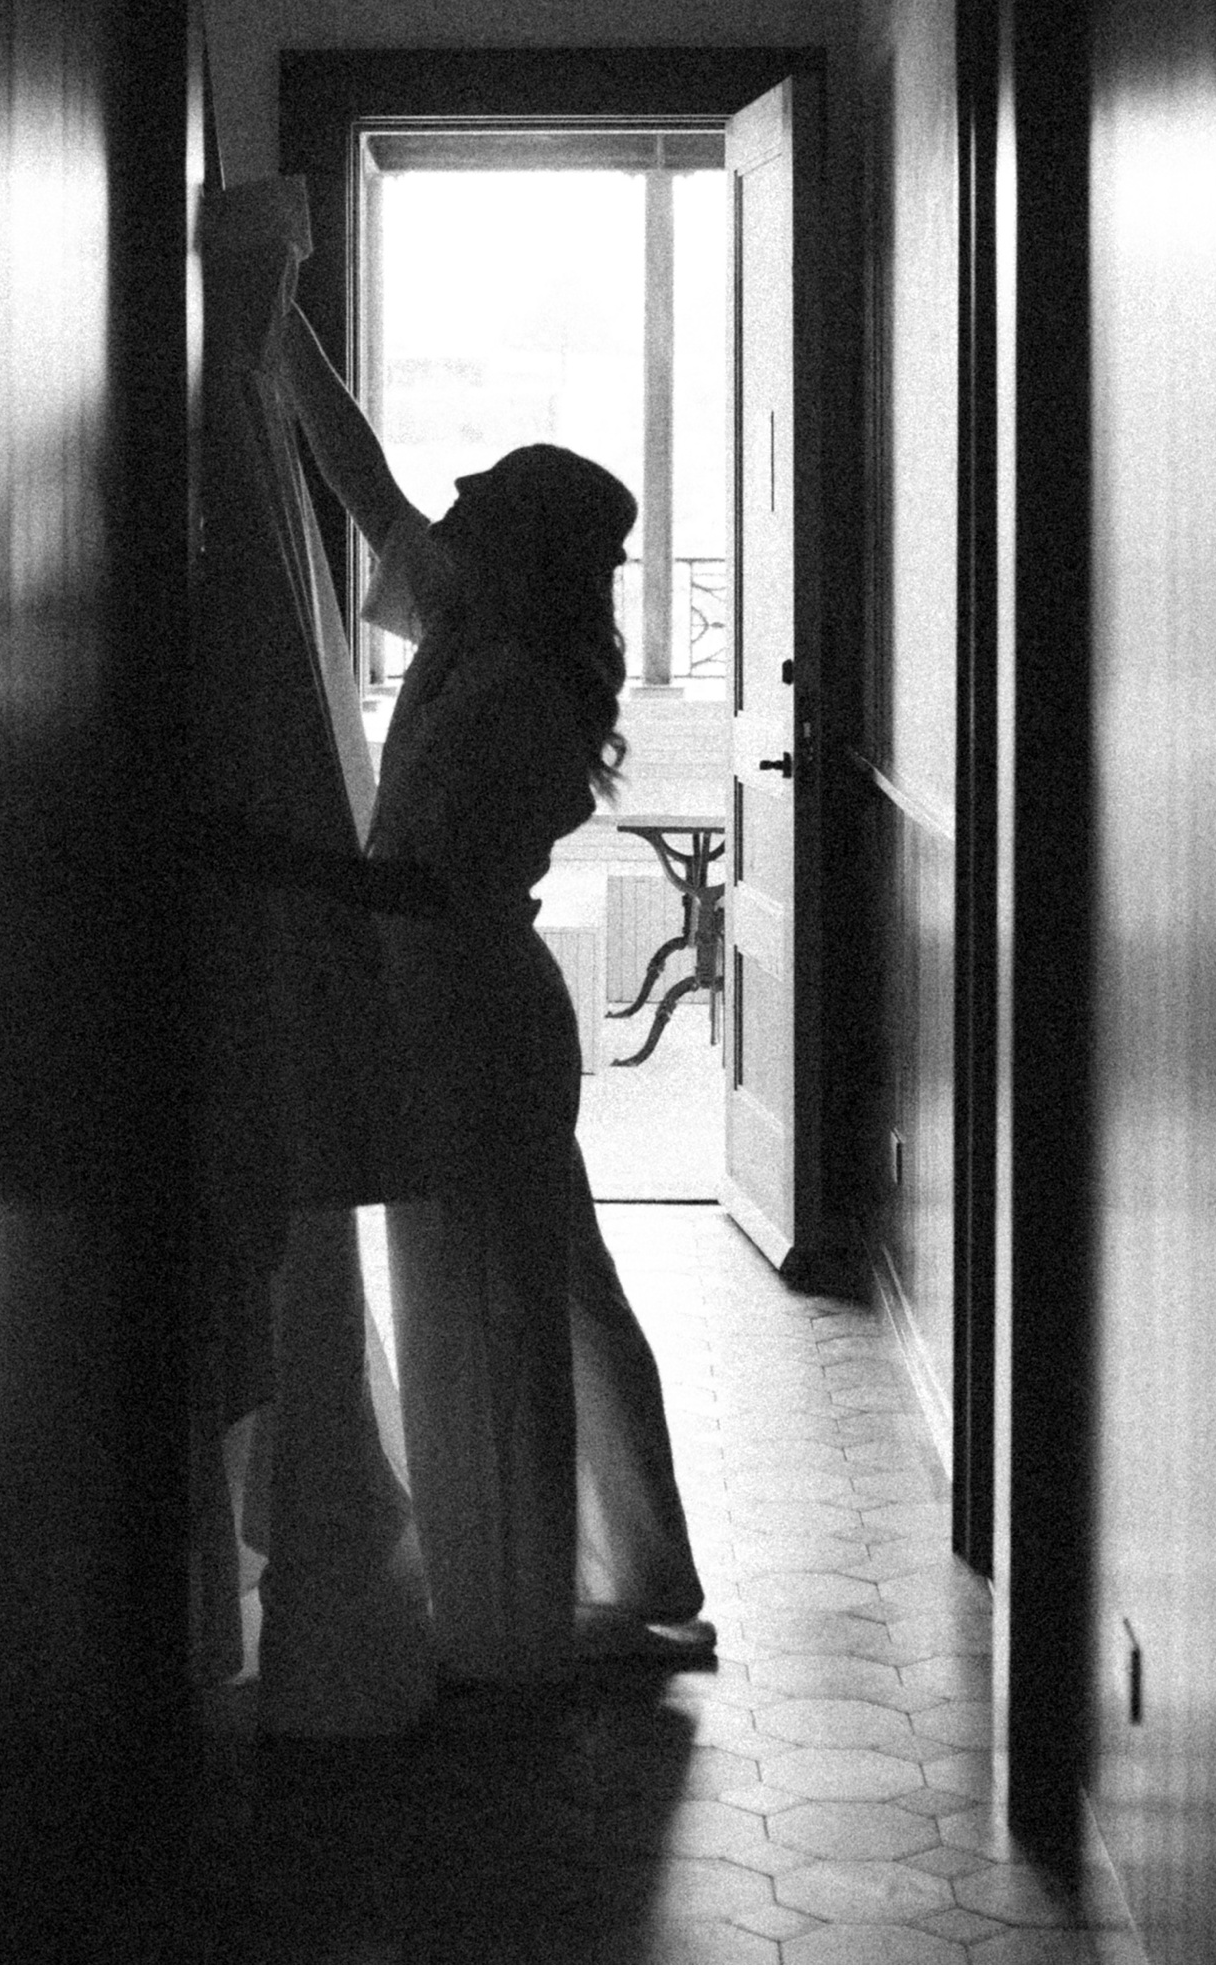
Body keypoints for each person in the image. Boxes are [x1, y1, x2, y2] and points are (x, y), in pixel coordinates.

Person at [275, 301, 714, 1687]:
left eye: (484, 490)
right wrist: (276, 320)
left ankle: (526, 1602)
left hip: (475, 1011)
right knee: (528, 1286)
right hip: (446, 1006)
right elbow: (361, 478)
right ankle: (601, 1574)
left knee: (511, 1300)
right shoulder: (474, 626)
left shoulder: (522, 687)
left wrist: (259, 858)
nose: (452, 496)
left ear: (519, 537)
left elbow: (433, 888)